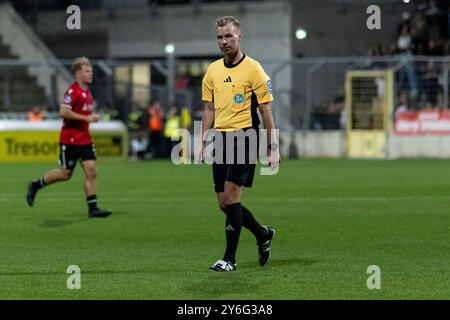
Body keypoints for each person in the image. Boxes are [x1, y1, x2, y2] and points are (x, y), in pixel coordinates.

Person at [197, 16, 280, 272]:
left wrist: (272, 147)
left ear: (240, 37)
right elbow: (209, 109)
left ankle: (229, 259)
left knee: (232, 198)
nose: (224, 41)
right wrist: (201, 142)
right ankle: (262, 233)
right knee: (224, 203)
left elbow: (265, 111)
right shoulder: (212, 70)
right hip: (220, 139)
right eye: (220, 37)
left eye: (229, 36)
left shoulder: (254, 69)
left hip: (245, 137)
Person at [26, 57, 112, 218]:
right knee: (65, 174)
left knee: (91, 171)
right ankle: (36, 185)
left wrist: (89, 117)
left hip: (85, 139)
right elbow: (63, 111)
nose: (90, 74)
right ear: (78, 74)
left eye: (91, 71)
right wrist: (86, 118)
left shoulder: (87, 92)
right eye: (87, 71)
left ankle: (93, 209)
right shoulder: (72, 91)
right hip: (70, 140)